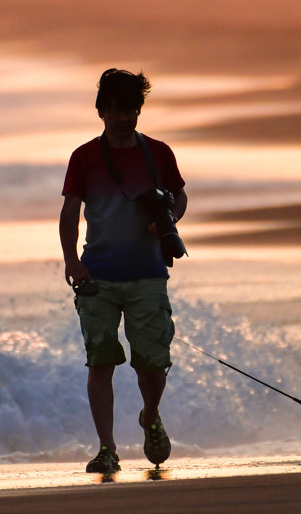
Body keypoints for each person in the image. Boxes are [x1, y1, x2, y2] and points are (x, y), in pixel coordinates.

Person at [59, 68, 188, 475]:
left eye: (130, 109)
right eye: (115, 109)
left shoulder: (158, 153)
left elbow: (180, 195)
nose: (122, 118)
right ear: (101, 111)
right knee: (100, 362)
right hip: (98, 276)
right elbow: (69, 212)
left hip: (148, 275)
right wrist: (72, 262)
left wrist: (169, 220)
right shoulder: (85, 157)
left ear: (138, 111)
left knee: (152, 362)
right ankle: (107, 448)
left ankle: (150, 414)